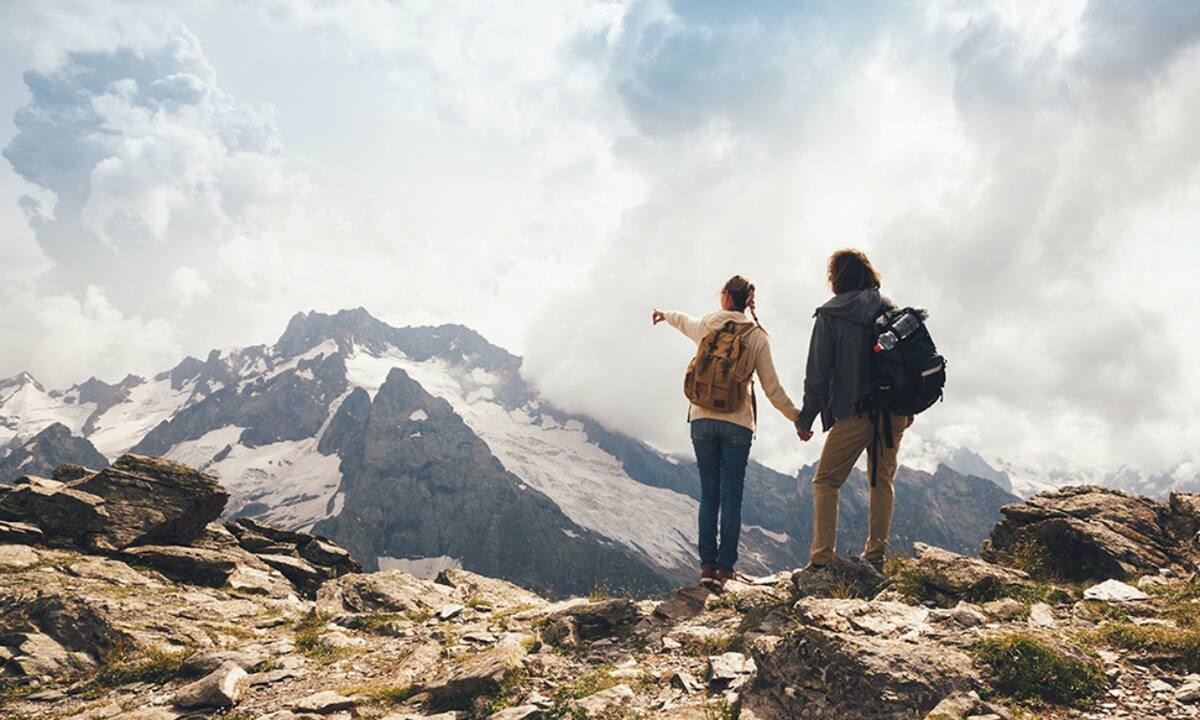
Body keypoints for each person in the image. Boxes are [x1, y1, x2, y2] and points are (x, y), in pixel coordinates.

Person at [653, 275, 804, 583]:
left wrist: (664, 315)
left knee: (709, 493)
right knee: (731, 496)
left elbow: (683, 320)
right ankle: (726, 569)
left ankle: (706, 567)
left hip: (702, 419)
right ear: (748, 301)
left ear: (724, 297)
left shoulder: (708, 324)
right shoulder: (757, 337)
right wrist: (798, 419)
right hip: (737, 422)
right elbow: (772, 389)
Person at [796, 249, 913, 572]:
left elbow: (818, 373)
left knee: (826, 481)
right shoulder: (889, 306)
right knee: (881, 480)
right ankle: (876, 558)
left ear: (837, 277)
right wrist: (908, 405)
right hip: (894, 410)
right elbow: (907, 359)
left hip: (855, 410)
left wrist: (806, 417)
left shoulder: (830, 314)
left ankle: (822, 558)